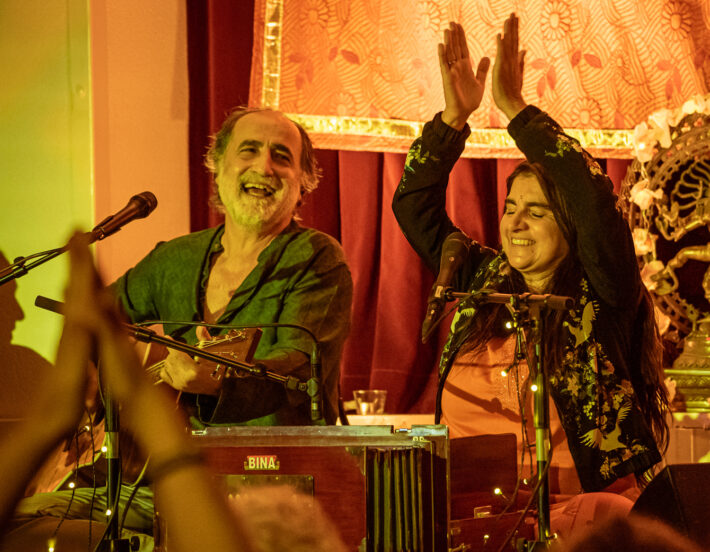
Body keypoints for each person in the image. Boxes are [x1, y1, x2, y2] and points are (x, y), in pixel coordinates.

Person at [11, 107, 353, 543]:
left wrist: (217, 382)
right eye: (249, 150)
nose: (264, 167)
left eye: (282, 156)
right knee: (22, 517)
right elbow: (97, 316)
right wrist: (90, 376)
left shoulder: (317, 258)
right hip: (154, 482)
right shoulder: (176, 258)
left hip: (268, 484)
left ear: (302, 182)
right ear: (218, 168)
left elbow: (300, 366)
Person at [392, 14, 669, 534]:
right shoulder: (482, 279)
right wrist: (452, 120)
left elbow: (593, 198)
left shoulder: (603, 289)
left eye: (536, 212)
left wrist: (516, 110)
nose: (514, 223)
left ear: (570, 226)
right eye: (510, 207)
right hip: (471, 512)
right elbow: (413, 205)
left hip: (580, 514)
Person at [1, 233, 256, 552]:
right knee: (32, 513)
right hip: (120, 481)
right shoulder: (173, 259)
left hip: (190, 479)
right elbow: (104, 310)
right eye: (7, 298)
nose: (20, 313)